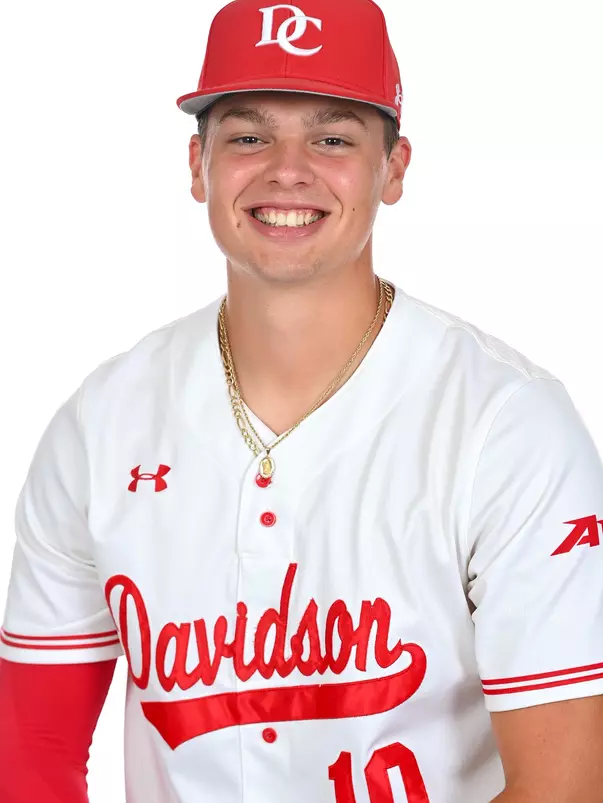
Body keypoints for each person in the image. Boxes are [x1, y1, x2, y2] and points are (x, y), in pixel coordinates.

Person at [1, 0, 602, 801]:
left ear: (393, 168)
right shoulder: (99, 423)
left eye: (332, 138)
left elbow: (564, 783)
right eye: (248, 136)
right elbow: (33, 749)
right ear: (196, 165)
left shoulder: (505, 422)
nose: (287, 168)